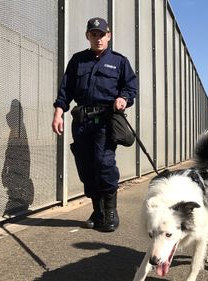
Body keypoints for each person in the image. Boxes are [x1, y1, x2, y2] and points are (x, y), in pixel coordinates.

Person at [52, 17, 137, 232]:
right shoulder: (78, 60)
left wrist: (124, 99)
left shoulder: (120, 61)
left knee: (104, 163)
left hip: (105, 121)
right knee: (86, 167)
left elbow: (130, 87)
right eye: (94, 34)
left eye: (102, 34)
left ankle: (110, 211)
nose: (98, 38)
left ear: (109, 36)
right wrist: (58, 113)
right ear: (88, 36)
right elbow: (65, 91)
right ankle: (97, 210)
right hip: (82, 122)